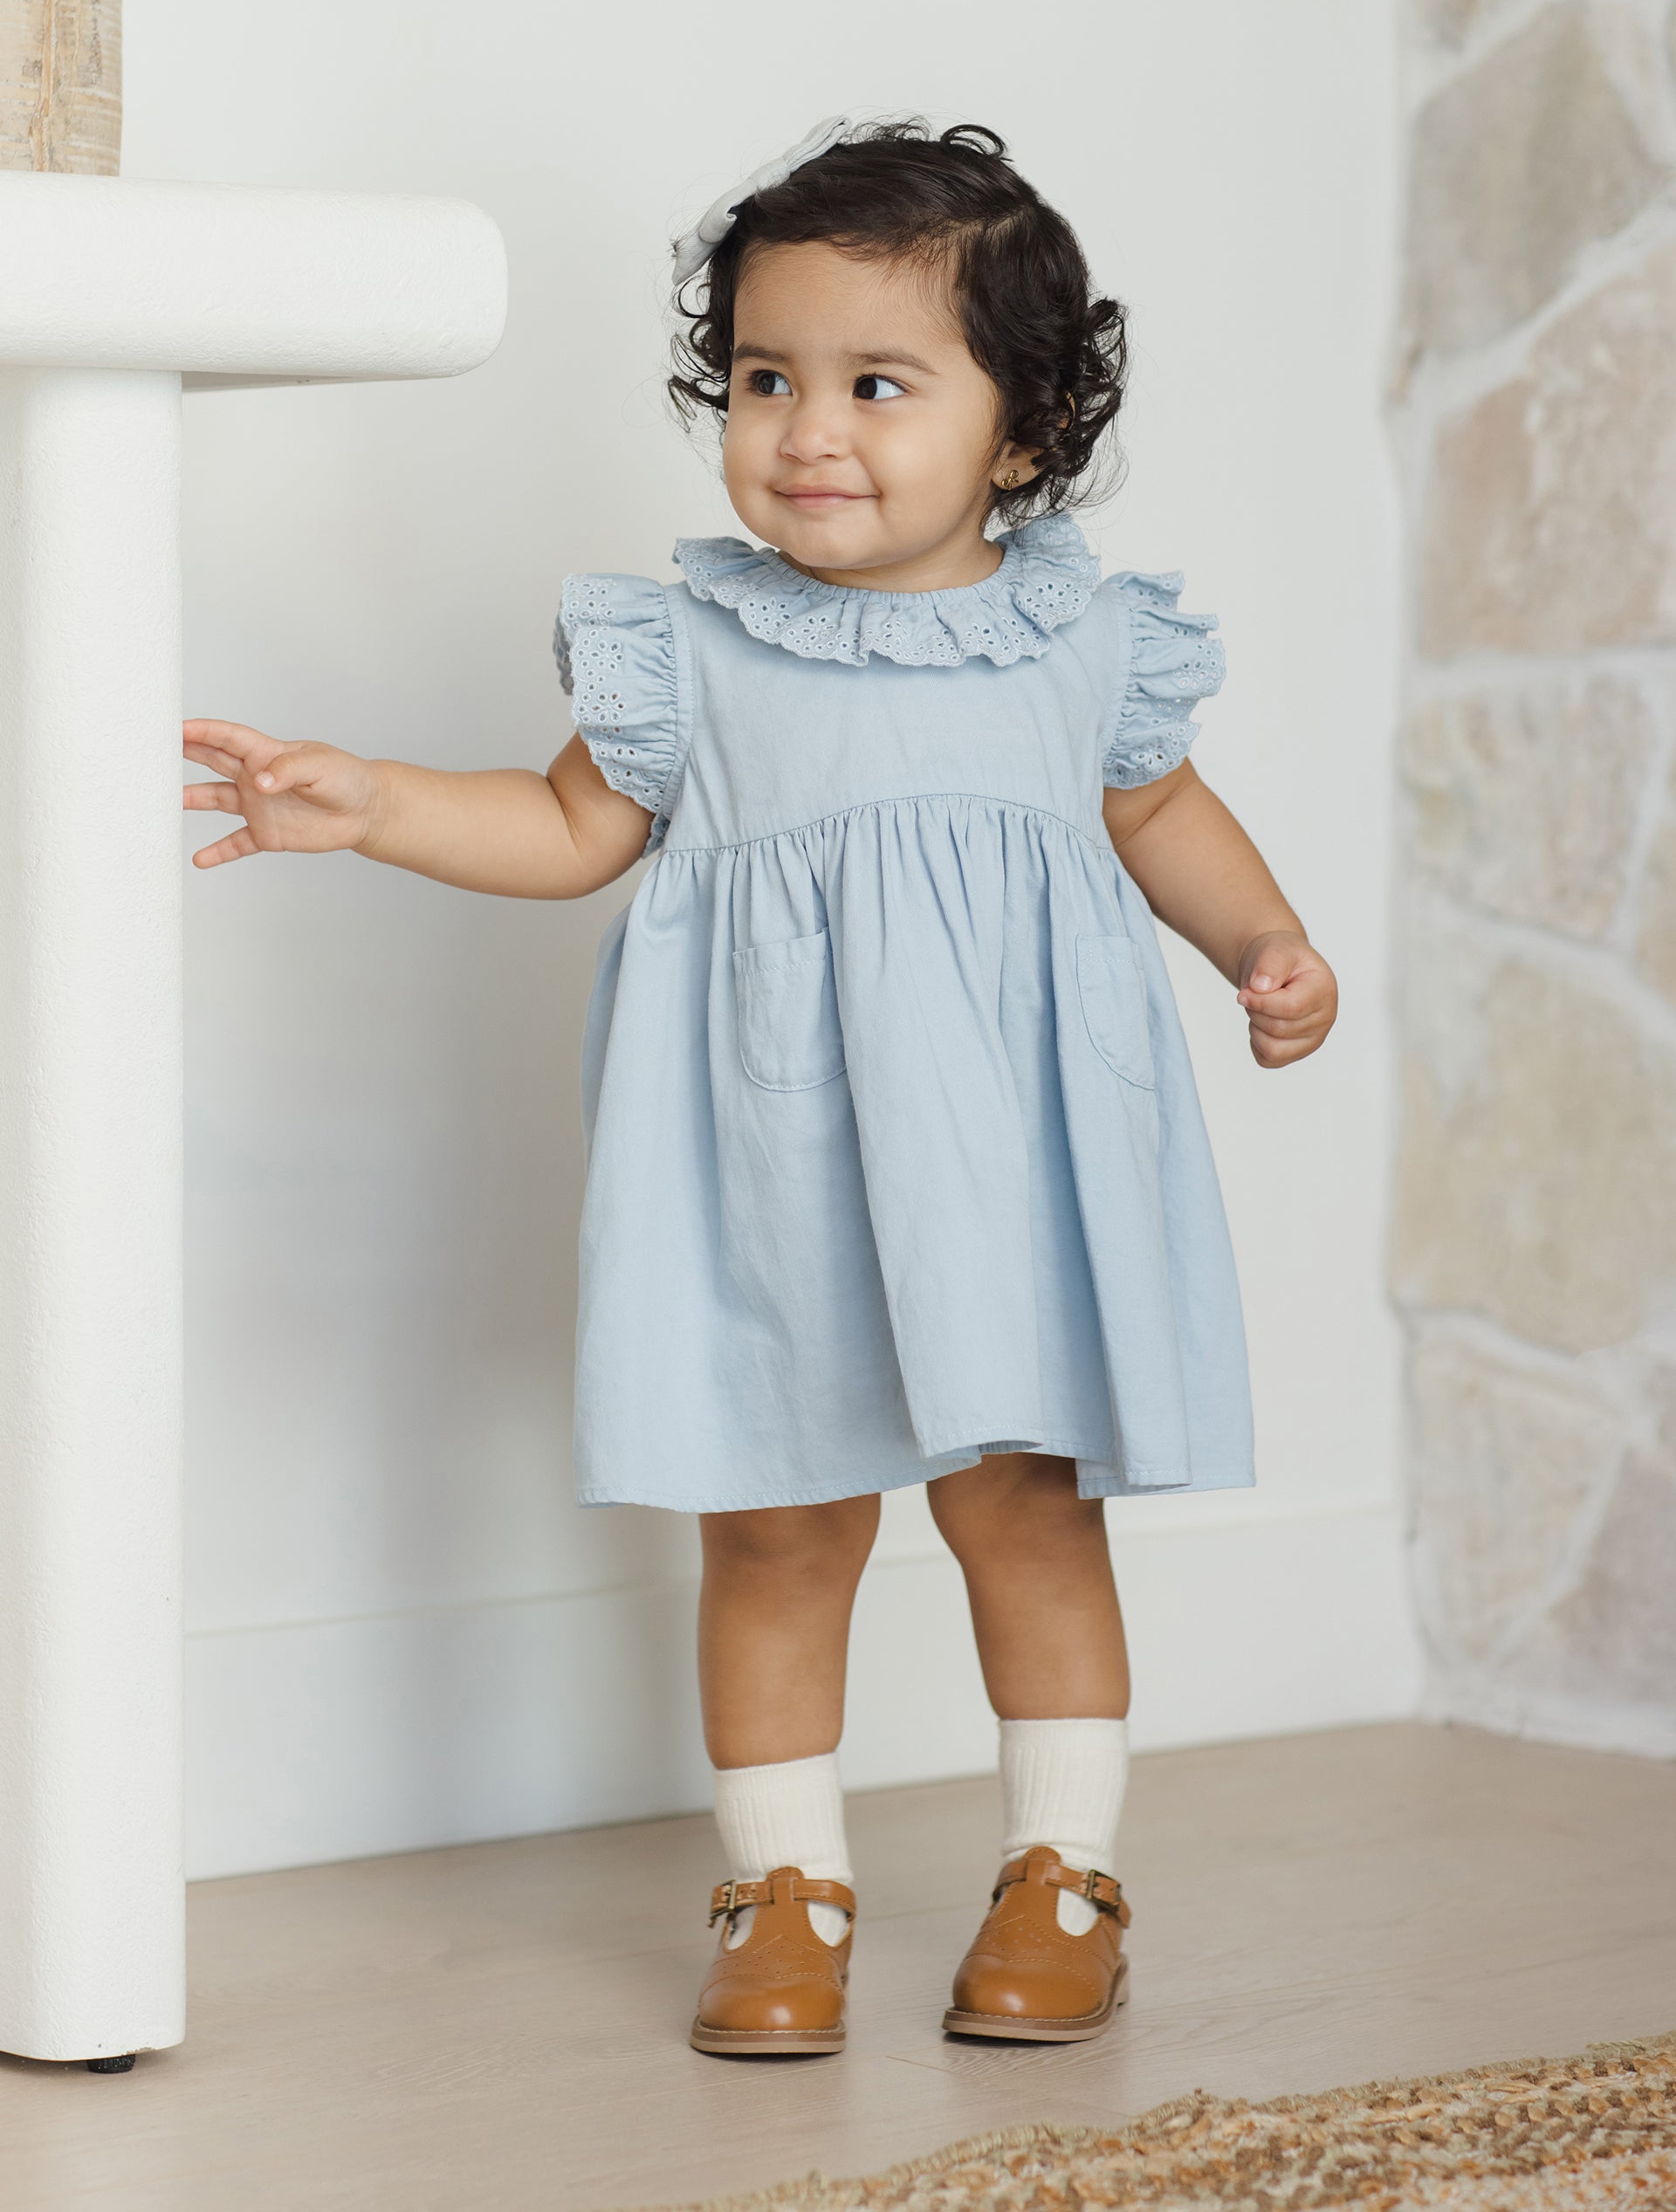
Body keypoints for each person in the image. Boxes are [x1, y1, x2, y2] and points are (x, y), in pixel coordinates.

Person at [182, 119, 1337, 2057]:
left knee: (1029, 1511)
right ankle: (781, 1883)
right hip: (771, 1164)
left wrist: (1262, 945)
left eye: (879, 385)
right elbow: (566, 826)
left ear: (1024, 433)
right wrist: (371, 801)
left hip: (1012, 1169)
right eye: (766, 379)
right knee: (776, 1527)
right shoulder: (698, 643)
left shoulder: (1083, 636)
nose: (808, 428)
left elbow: (1159, 808)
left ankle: (1066, 1872)